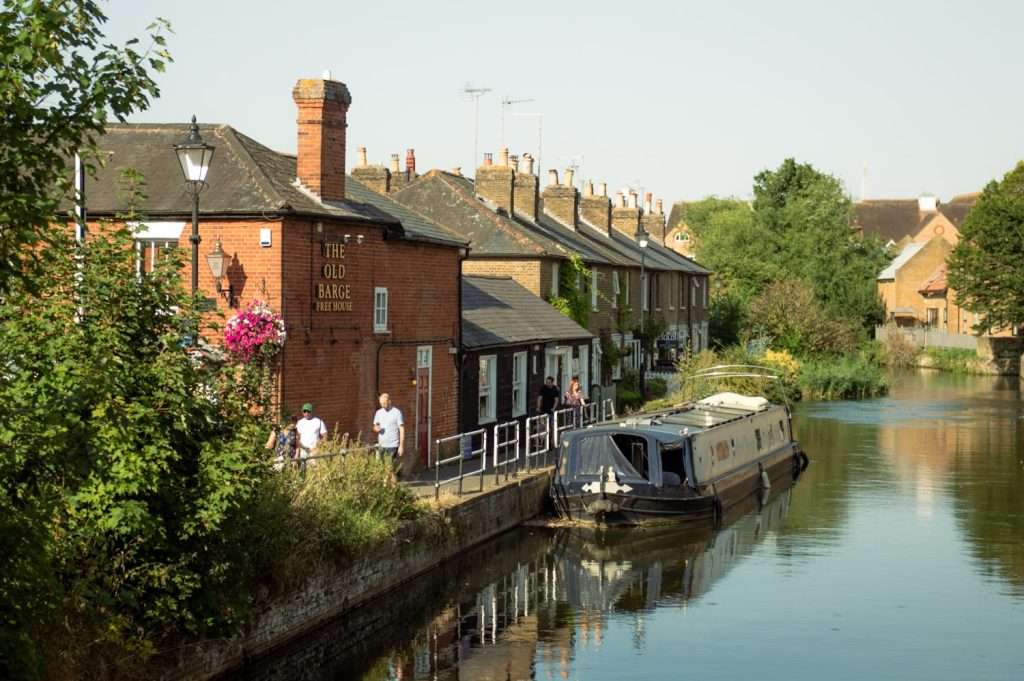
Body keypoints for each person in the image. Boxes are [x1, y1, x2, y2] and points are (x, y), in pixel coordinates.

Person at [372, 392, 405, 476]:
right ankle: (391, 487)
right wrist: (376, 429)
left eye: (384, 403)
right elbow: (375, 426)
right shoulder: (379, 413)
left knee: (389, 468)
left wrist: (401, 446)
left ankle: (388, 486)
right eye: (381, 404)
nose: (383, 405)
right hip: (381, 445)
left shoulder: (397, 412)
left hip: (392, 445)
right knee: (382, 468)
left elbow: (401, 429)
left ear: (389, 401)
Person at [295, 402, 327, 467]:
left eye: (308, 411)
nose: (306, 413)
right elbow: (297, 437)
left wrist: (318, 447)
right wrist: (300, 448)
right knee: (303, 470)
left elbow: (325, 436)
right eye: (304, 411)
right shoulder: (300, 423)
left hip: (314, 451)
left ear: (312, 412)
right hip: (303, 451)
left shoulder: (318, 421)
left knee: (314, 470)